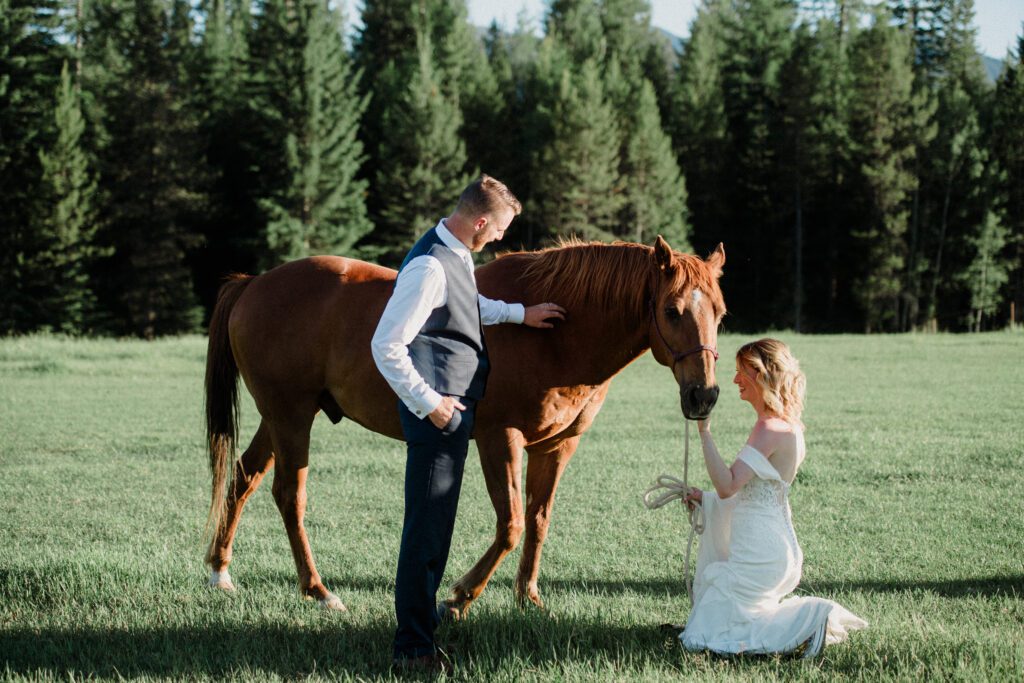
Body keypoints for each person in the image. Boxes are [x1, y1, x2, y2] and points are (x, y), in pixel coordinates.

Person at [371, 175, 566, 673]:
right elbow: (385, 345)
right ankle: (412, 649)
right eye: (499, 228)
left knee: (437, 529)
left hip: (453, 413)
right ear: (480, 221)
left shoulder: (454, 254)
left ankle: (422, 626)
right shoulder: (429, 267)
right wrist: (430, 402)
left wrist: (520, 313)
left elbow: (467, 306)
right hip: (437, 416)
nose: (500, 238)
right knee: (425, 532)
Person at [679, 338, 867, 657]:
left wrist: (704, 432)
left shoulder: (769, 427)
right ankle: (803, 627)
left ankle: (813, 619)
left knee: (703, 635)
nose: (735, 380)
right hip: (777, 547)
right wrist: (704, 498)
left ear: (760, 375)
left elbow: (729, 486)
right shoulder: (789, 426)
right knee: (713, 622)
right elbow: (755, 491)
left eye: (741, 372)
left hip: (760, 551)